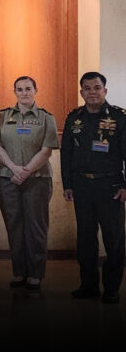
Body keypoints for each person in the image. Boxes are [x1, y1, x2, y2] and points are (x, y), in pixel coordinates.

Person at [61, 71, 126, 303]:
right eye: (87, 88)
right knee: (85, 239)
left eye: (97, 88)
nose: (92, 92)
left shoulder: (119, 117)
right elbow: (66, 153)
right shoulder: (74, 117)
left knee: (114, 239)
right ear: (82, 92)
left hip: (111, 187)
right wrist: (67, 184)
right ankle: (88, 285)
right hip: (82, 187)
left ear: (104, 90)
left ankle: (111, 288)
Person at [0, 76, 59, 290]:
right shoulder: (3, 116)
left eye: (28, 88)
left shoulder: (46, 117)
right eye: (19, 89)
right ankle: (20, 272)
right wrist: (14, 168)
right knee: (14, 226)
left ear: (35, 90)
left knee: (36, 226)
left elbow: (46, 150)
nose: (24, 93)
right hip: (7, 177)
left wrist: (25, 171)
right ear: (15, 92)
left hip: (37, 179)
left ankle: (36, 273)